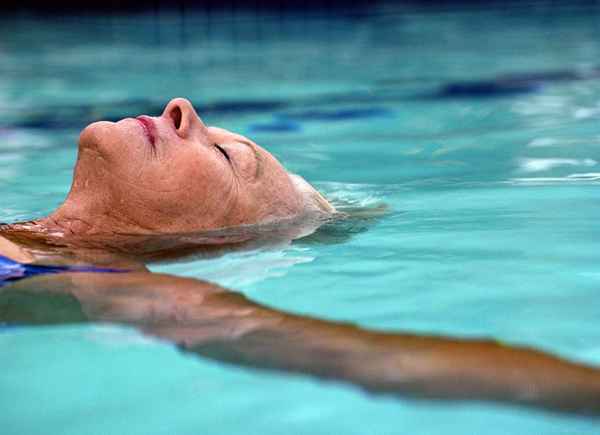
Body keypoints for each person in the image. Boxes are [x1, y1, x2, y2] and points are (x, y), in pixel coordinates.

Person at [1, 98, 599, 415]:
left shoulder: (104, 285)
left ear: (223, 236)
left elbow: (373, 361)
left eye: (229, 158)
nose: (180, 109)